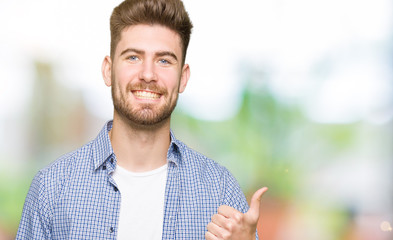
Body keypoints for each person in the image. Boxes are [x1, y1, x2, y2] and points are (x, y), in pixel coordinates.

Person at [16, 0, 268, 239]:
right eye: (133, 57)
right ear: (108, 70)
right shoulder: (51, 188)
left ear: (183, 77)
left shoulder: (220, 190)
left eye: (164, 60)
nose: (148, 74)